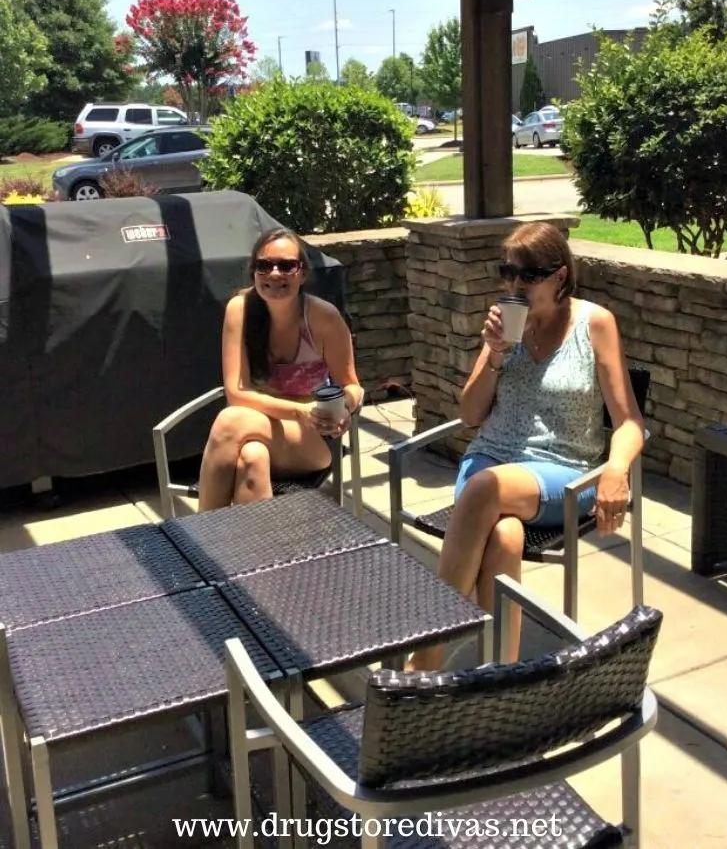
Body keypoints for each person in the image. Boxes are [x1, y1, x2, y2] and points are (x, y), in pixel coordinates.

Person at [409, 221, 645, 667]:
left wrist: (615, 470)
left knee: (486, 489)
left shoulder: (594, 324)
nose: (515, 285)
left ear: (559, 277)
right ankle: (503, 674)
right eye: (507, 272)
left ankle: (426, 658)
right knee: (504, 535)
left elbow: (629, 420)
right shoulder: (505, 325)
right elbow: (470, 415)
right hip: (491, 458)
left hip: (566, 471)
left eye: (528, 275)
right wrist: (494, 354)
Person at [197, 227, 363, 510]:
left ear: (303, 273)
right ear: (254, 272)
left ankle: (199, 537)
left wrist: (343, 407)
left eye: (286, 266)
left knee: (229, 422)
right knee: (252, 457)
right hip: (262, 428)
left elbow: (353, 385)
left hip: (311, 438)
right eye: (264, 266)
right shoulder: (240, 309)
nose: (275, 274)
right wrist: (299, 409)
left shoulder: (322, 317)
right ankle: (260, 553)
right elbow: (237, 393)